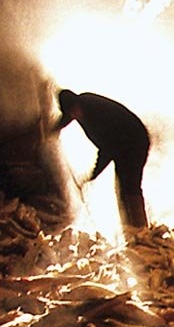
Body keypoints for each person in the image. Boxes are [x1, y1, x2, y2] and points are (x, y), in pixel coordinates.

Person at [53, 89, 150, 230]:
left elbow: (107, 148)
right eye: (71, 114)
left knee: (130, 186)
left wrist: (93, 174)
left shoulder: (96, 114)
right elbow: (67, 118)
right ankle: (130, 230)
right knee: (121, 188)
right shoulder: (79, 107)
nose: (74, 116)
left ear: (77, 104)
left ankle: (141, 230)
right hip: (121, 145)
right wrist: (51, 131)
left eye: (74, 111)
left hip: (134, 142)